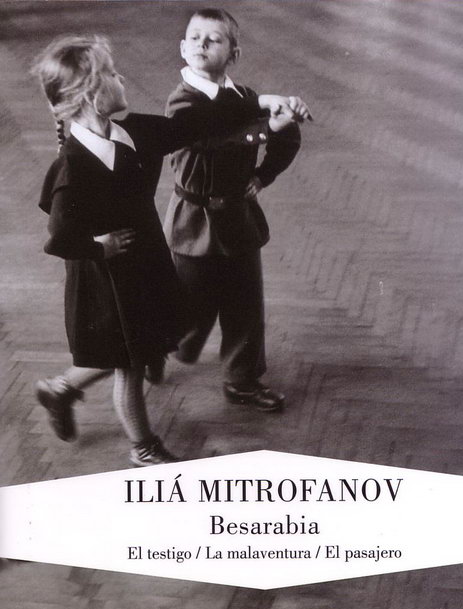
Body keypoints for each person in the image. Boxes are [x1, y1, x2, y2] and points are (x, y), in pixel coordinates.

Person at [32, 34, 309, 466]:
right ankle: (143, 447)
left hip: (142, 262)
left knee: (134, 347)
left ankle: (59, 389)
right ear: (90, 95)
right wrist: (100, 246)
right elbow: (60, 238)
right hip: (106, 281)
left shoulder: (135, 132)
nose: (121, 78)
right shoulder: (72, 166)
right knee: (129, 365)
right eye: (111, 74)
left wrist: (262, 104)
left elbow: (197, 125)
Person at [163, 8, 310, 411]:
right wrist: (266, 123)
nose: (202, 44)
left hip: (238, 218)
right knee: (189, 308)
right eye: (194, 37)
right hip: (193, 221)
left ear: (234, 54)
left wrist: (263, 175)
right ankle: (159, 349)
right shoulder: (181, 102)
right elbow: (211, 135)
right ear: (183, 48)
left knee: (245, 304)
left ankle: (243, 379)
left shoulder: (244, 97)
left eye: (214, 39)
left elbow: (287, 136)